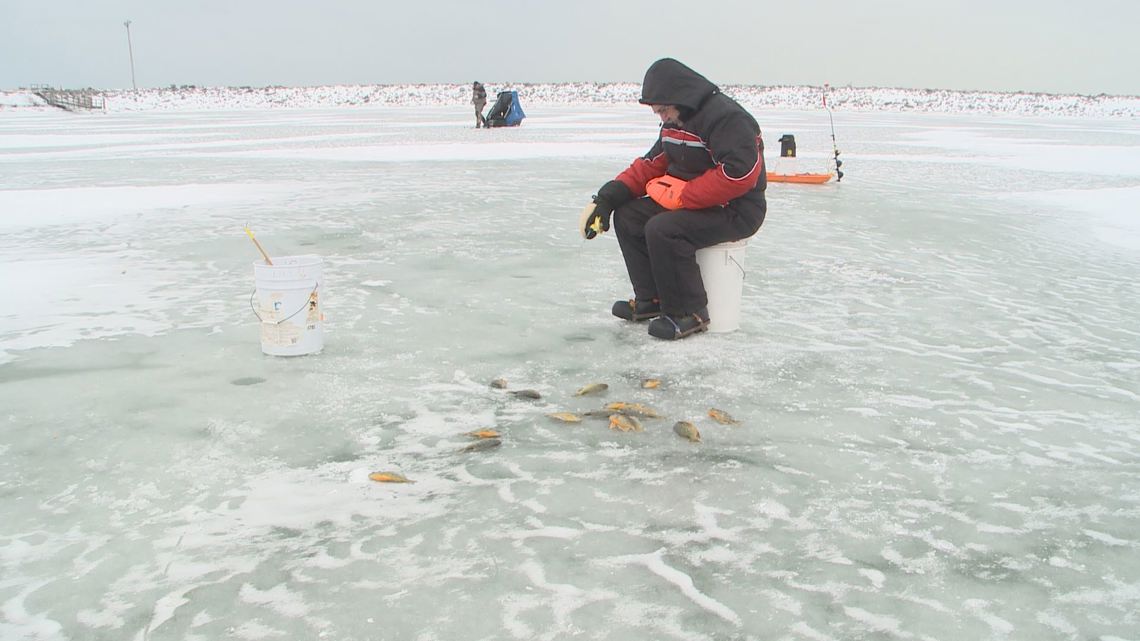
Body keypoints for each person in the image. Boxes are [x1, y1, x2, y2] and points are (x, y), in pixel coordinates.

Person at [585, 58, 767, 340]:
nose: (661, 117)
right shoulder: (676, 121)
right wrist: (608, 197)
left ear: (680, 97)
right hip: (697, 203)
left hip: (737, 209)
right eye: (657, 112)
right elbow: (652, 163)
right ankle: (652, 299)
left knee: (664, 229)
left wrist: (684, 196)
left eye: (663, 110)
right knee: (629, 217)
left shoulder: (727, 119)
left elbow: (740, 174)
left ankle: (690, 313)